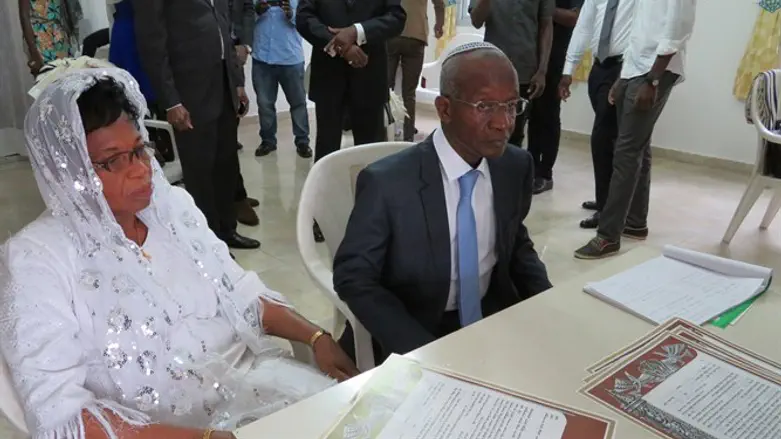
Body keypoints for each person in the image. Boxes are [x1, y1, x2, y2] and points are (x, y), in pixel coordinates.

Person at [0, 70, 358, 439]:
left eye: (139, 150)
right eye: (112, 161)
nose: (140, 171)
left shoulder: (172, 209)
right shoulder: (38, 260)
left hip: (256, 388)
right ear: (67, 171)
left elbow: (241, 293)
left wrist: (317, 337)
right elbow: (63, 417)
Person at [333, 42, 552, 364]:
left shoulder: (514, 166)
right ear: (444, 109)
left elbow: (514, 240)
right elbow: (354, 276)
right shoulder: (388, 183)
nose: (503, 123)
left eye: (510, 105)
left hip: (491, 316)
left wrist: (547, 300)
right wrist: (422, 352)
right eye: (485, 106)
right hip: (415, 326)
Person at [573, 0, 697, 259]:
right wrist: (623, 78)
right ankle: (636, 223)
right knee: (638, 146)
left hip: (655, 70)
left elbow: (677, 29)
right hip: (635, 68)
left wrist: (652, 79)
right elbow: (637, 33)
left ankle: (608, 237)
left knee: (626, 151)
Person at [133, 0, 260, 249]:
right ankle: (208, 242)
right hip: (189, 94)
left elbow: (225, 30)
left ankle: (227, 231)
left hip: (223, 88)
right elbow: (152, 45)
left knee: (226, 166)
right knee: (200, 173)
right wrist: (171, 102)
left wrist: (236, 82)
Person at [296, 0, 407, 162]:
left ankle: (369, 188)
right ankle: (328, 187)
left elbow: (396, 18)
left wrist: (356, 31)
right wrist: (341, 45)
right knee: (327, 151)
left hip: (369, 77)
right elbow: (304, 18)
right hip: (328, 78)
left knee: (370, 153)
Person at [558, 0, 634, 229]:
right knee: (607, 136)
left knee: (602, 137)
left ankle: (606, 208)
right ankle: (608, 198)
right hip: (599, 67)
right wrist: (568, 70)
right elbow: (583, 27)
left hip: (623, 69)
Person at [470, 0, 554, 148]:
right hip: (491, 68)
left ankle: (510, 169)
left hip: (524, 69)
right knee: (484, 127)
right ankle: (485, 169)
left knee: (514, 130)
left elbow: (546, 25)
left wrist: (542, 70)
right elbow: (476, 21)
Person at [525, 0, 582, 194]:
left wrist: (546, 10)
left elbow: (575, 18)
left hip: (557, 57)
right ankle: (531, 166)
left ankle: (545, 173)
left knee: (549, 114)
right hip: (533, 55)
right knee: (533, 114)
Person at [252, 0, 313, 159]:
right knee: (264, 104)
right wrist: (257, 11)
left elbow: (306, 21)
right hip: (262, 57)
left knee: (298, 103)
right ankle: (268, 141)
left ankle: (302, 141)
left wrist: (291, 15)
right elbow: (243, 20)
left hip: (290, 57)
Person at [386, 0, 445, 142]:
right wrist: (439, 24)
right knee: (409, 92)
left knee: (387, 89)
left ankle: (385, 133)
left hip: (392, 32)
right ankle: (408, 137)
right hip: (416, 35)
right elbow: (439, 4)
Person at [18, 0, 82, 75]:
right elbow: (24, 16)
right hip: (41, 38)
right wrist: (34, 53)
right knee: (48, 77)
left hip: (60, 34)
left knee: (66, 75)